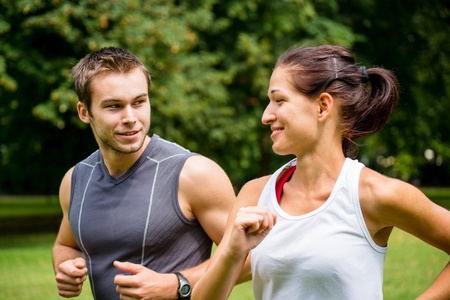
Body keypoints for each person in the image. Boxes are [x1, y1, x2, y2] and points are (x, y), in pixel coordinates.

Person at [192, 44, 450, 299]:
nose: (266, 115)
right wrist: (231, 253)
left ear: (323, 107)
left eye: (279, 100)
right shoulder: (254, 195)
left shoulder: (374, 194)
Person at [52, 47, 236, 300]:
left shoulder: (194, 173)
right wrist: (67, 267)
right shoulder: (75, 180)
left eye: (139, 102)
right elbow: (66, 245)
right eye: (114, 106)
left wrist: (176, 284)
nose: (130, 118)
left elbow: (249, 256)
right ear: (85, 112)